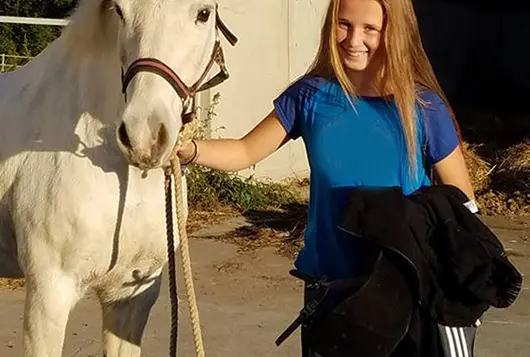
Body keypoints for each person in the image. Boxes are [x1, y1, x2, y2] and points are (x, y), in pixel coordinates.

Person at [178, 0, 475, 355]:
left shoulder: (423, 109)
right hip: (330, 290)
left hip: (404, 292)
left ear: (394, 33)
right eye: (344, 24)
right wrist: (188, 148)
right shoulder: (309, 97)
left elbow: (462, 203)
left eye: (370, 29)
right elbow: (244, 151)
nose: (353, 39)